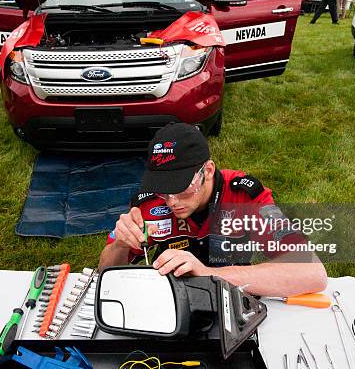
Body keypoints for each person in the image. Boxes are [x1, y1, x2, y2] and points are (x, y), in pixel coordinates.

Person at [99, 123, 328, 297]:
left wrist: (207, 273)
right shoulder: (149, 204)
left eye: (181, 187)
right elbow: (105, 273)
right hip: (170, 298)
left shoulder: (243, 196)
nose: (171, 201)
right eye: (163, 190)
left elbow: (312, 272)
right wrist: (120, 243)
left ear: (207, 170)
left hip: (234, 296)